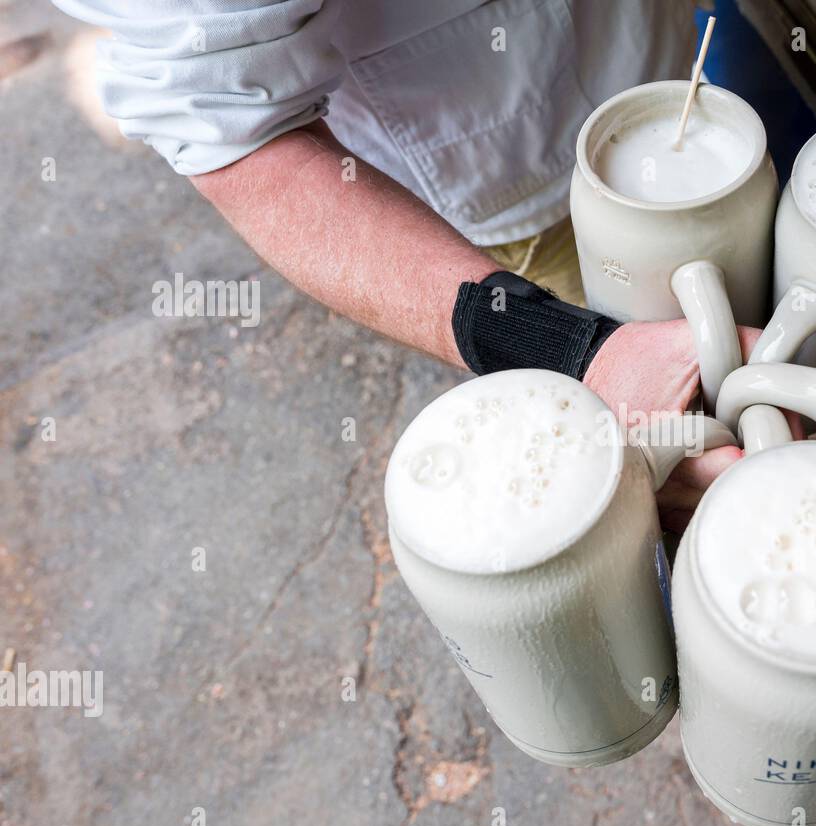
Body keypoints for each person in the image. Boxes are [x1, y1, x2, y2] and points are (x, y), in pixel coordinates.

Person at [53, 0, 776, 531]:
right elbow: (235, 130)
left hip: (656, 63)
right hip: (512, 175)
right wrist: (572, 350)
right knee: (668, 444)